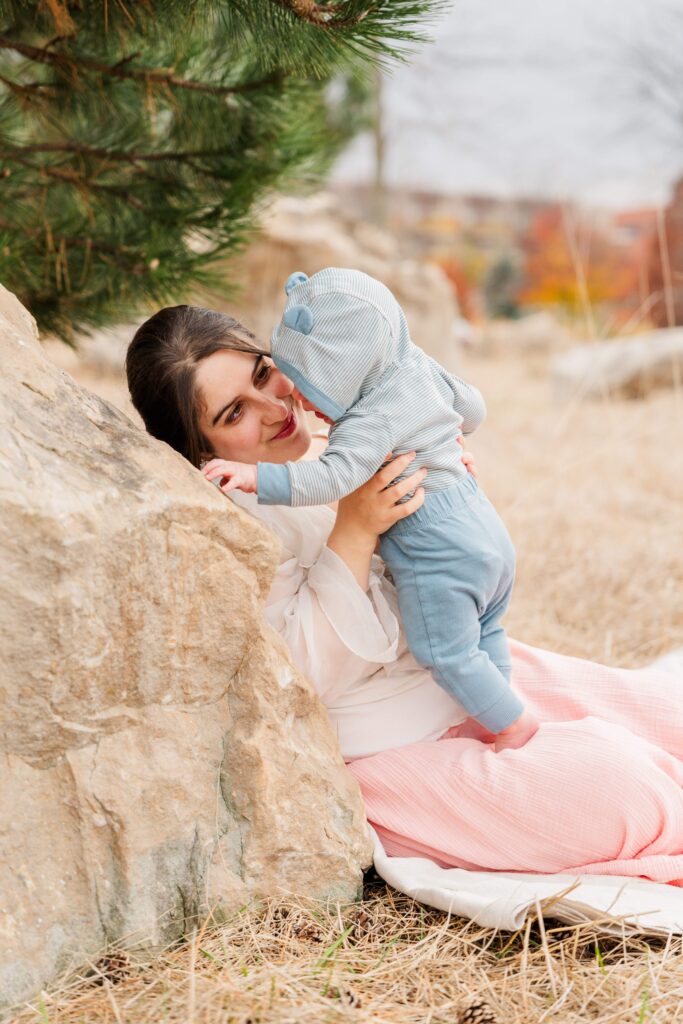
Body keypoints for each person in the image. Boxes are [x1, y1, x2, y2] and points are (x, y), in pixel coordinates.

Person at [126, 304, 683, 886]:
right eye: (234, 411)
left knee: (667, 715)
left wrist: (446, 488)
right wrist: (356, 528)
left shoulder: (338, 450)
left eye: (264, 374)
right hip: (393, 747)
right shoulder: (225, 527)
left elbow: (444, 560)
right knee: (627, 793)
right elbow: (299, 675)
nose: (274, 409)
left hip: (466, 674)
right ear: (200, 448)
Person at [200, 268, 537, 752]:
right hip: (484, 532)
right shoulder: (415, 369)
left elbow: (334, 477)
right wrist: (436, 435)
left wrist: (259, 476)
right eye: (234, 412)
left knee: (447, 653)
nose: (286, 403)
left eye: (266, 373)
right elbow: (473, 409)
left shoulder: (365, 422)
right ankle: (497, 710)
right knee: (487, 632)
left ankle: (506, 723)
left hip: (445, 548)